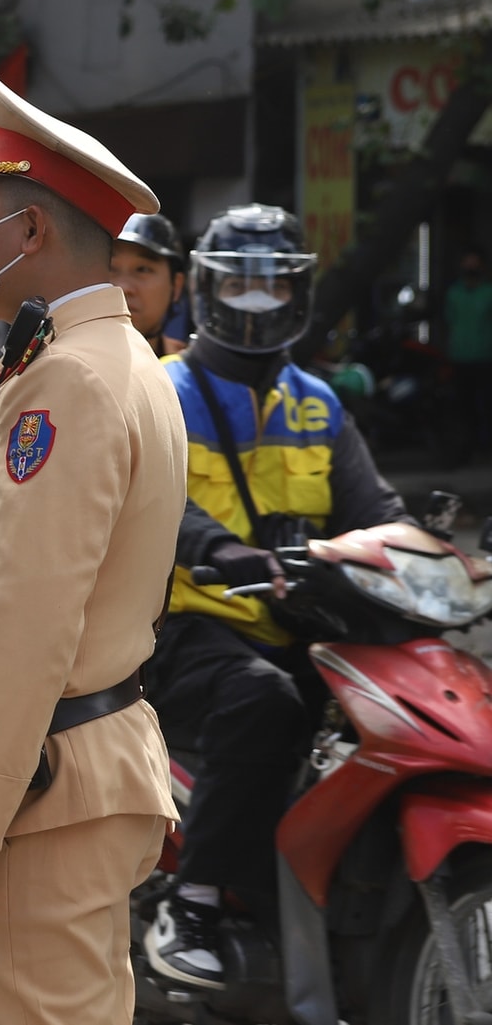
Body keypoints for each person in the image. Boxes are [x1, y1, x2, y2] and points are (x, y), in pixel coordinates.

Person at [0, 71, 182, 1024]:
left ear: (28, 232)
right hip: (75, 772)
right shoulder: (114, 360)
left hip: (46, 789)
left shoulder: (69, 380)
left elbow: (27, 623)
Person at [143, 203, 407, 990]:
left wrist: (430, 559)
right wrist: (220, 549)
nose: (256, 303)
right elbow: (147, 496)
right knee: (263, 701)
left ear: (300, 295)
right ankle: (190, 906)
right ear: (207, 290)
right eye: (240, 284)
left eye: (274, 286)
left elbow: (378, 513)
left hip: (296, 623)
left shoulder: (319, 404)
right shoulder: (159, 390)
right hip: (181, 624)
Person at [112, 212, 188, 356]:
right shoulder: (59, 365)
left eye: (143, 269)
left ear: (176, 286)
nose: (123, 287)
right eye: (109, 267)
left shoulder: (187, 373)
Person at [445, 246, 492, 458]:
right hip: (459, 357)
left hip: (484, 358)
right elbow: (449, 320)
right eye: (467, 263)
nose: (471, 267)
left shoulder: (488, 293)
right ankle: (465, 449)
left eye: (475, 263)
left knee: (484, 404)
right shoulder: (454, 294)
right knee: (462, 407)